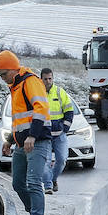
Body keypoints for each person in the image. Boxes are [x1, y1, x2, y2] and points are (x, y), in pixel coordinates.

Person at [0, 49, 52, 215]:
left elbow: (41, 110)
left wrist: (32, 136)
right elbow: (19, 121)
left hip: (37, 141)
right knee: (19, 183)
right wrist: (10, 140)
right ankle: (34, 214)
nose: (2, 79)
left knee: (34, 183)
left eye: (3, 74)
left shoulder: (30, 81)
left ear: (12, 69)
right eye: (0, 76)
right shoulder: (16, 86)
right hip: (22, 143)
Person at [40, 67, 75, 195]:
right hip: (44, 135)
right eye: (45, 79)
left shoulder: (60, 92)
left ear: (53, 78)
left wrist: (64, 128)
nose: (48, 81)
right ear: (41, 79)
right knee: (46, 162)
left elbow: (69, 112)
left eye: (50, 78)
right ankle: (48, 186)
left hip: (60, 135)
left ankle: (53, 179)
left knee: (62, 160)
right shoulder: (38, 94)